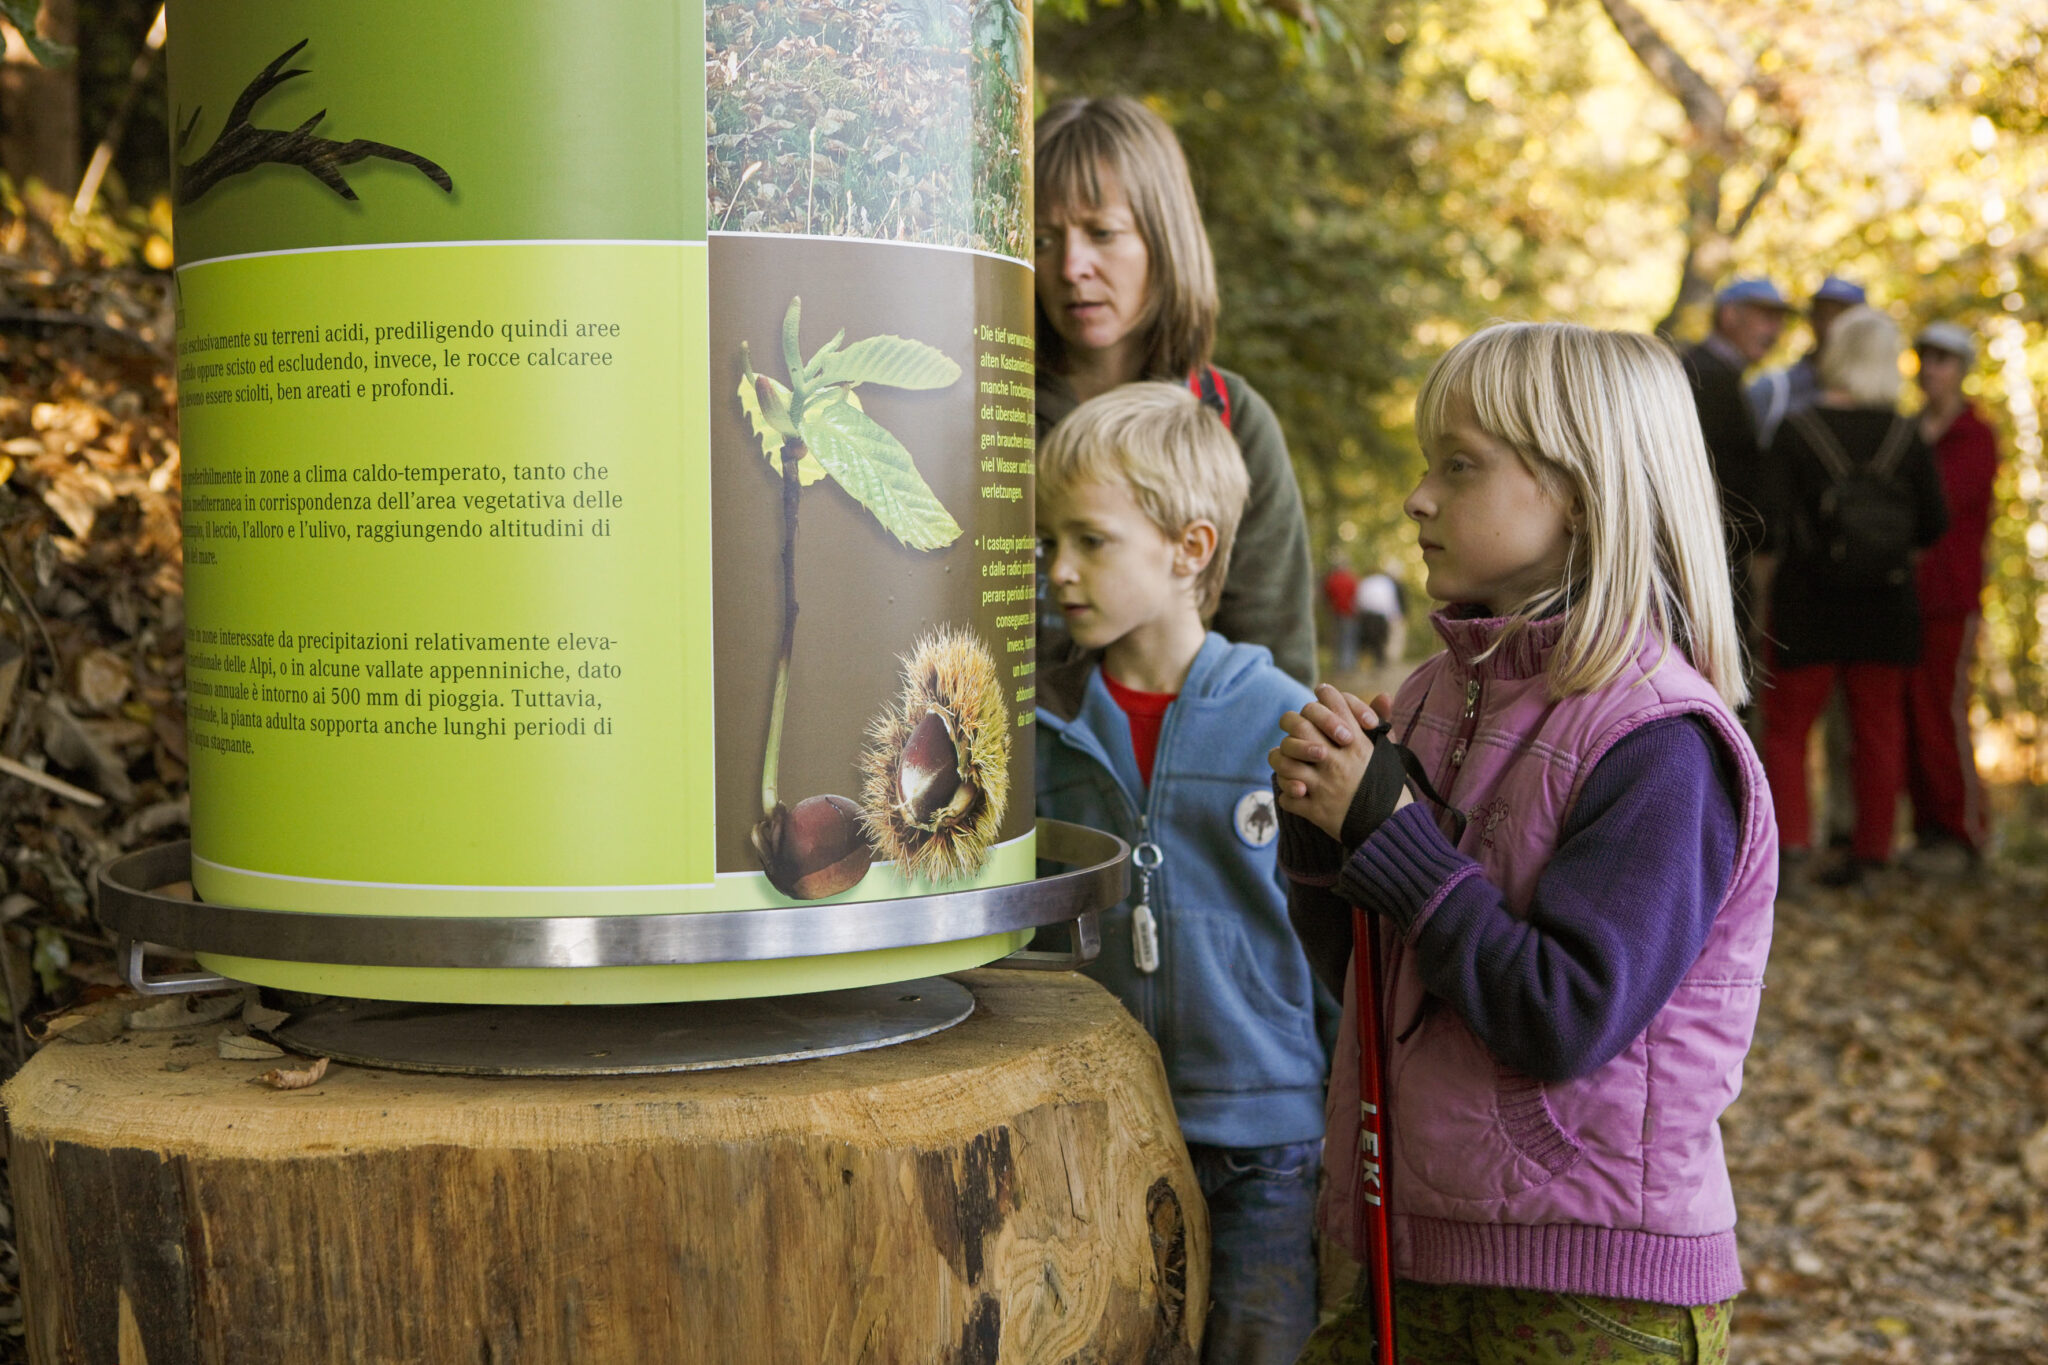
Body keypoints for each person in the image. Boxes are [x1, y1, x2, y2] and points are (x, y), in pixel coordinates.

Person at [1272, 323, 1775, 1364]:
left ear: (1580, 494)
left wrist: (1395, 839)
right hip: (1412, 1245)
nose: (1417, 498)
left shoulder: (1659, 743)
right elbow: (1380, 985)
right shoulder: (1431, 695)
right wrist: (1329, 837)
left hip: (1592, 1288)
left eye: (1457, 466)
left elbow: (1562, 1013)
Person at [1035, 383, 1328, 1365]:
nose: (1058, 570)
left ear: (1188, 549)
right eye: (1048, 543)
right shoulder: (1044, 733)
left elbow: (1337, 943)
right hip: (1100, 1128)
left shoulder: (1282, 723)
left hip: (1263, 1147)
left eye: (1090, 541)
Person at [1033, 94, 1318, 688]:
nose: (1071, 267)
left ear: (1163, 239)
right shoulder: (985, 408)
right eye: (1042, 241)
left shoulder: (1231, 420)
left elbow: (1276, 668)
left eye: (1102, 233)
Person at [1755, 306, 1948, 888]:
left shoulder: (1797, 430)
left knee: (1787, 730)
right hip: (1886, 604)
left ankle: (1789, 852)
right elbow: (1934, 524)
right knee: (1878, 731)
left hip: (1807, 602)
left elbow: (1767, 523)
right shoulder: (1906, 435)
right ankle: (1872, 856)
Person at [1903, 320, 1999, 874]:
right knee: (1913, 714)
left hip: (1951, 598)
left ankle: (1965, 831)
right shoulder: (1909, 431)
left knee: (1944, 712)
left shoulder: (1974, 435)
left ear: (1961, 369)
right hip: (1906, 597)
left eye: (1943, 360)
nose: (1931, 370)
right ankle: (1928, 830)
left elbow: (1939, 504)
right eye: (1925, 359)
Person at [1748, 275, 1867, 449]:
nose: (1831, 326)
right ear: (1811, 320)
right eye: (1822, 315)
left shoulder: (1876, 394)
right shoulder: (1773, 389)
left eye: (1843, 317)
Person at [1351, 565, 1405, 671]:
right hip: (1380, 616)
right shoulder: (1386, 582)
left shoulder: (1365, 582)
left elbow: (1358, 599)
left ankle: (1366, 664)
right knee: (1380, 640)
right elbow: (1391, 601)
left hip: (1366, 615)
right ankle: (1379, 664)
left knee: (1367, 641)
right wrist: (1394, 616)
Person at [1324, 555, 1361, 675]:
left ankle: (1339, 665)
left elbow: (1327, 595)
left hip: (1335, 613)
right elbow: (1357, 597)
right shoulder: (1351, 579)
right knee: (1348, 639)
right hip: (1349, 613)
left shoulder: (1332, 579)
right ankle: (1347, 665)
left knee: (1338, 640)